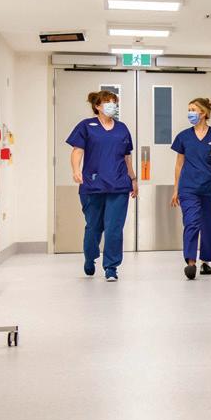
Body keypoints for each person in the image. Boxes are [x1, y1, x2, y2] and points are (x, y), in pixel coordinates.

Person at [66, 90, 137, 282]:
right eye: (108, 102)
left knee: (114, 228)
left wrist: (133, 179)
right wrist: (76, 169)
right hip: (93, 184)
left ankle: (111, 267)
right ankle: (90, 257)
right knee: (94, 227)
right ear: (97, 106)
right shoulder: (86, 126)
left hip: (119, 185)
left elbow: (127, 156)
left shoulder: (122, 128)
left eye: (114, 102)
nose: (112, 105)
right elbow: (77, 151)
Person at [170, 97, 211, 280]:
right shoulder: (183, 136)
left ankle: (205, 260)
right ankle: (190, 262)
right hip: (188, 188)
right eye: (189, 109)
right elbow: (179, 165)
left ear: (203, 113)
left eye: (193, 109)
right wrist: (176, 189)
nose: (190, 113)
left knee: (208, 225)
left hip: (210, 188)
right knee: (191, 222)